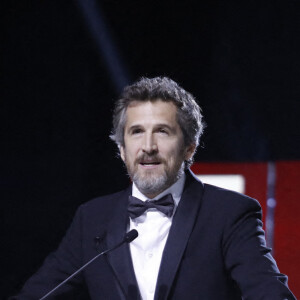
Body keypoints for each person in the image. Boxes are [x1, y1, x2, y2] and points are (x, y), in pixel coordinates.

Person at [12, 77, 295, 299]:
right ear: (122, 150)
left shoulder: (229, 214)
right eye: (137, 132)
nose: (148, 147)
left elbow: (270, 294)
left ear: (189, 148)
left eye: (162, 131)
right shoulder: (92, 218)